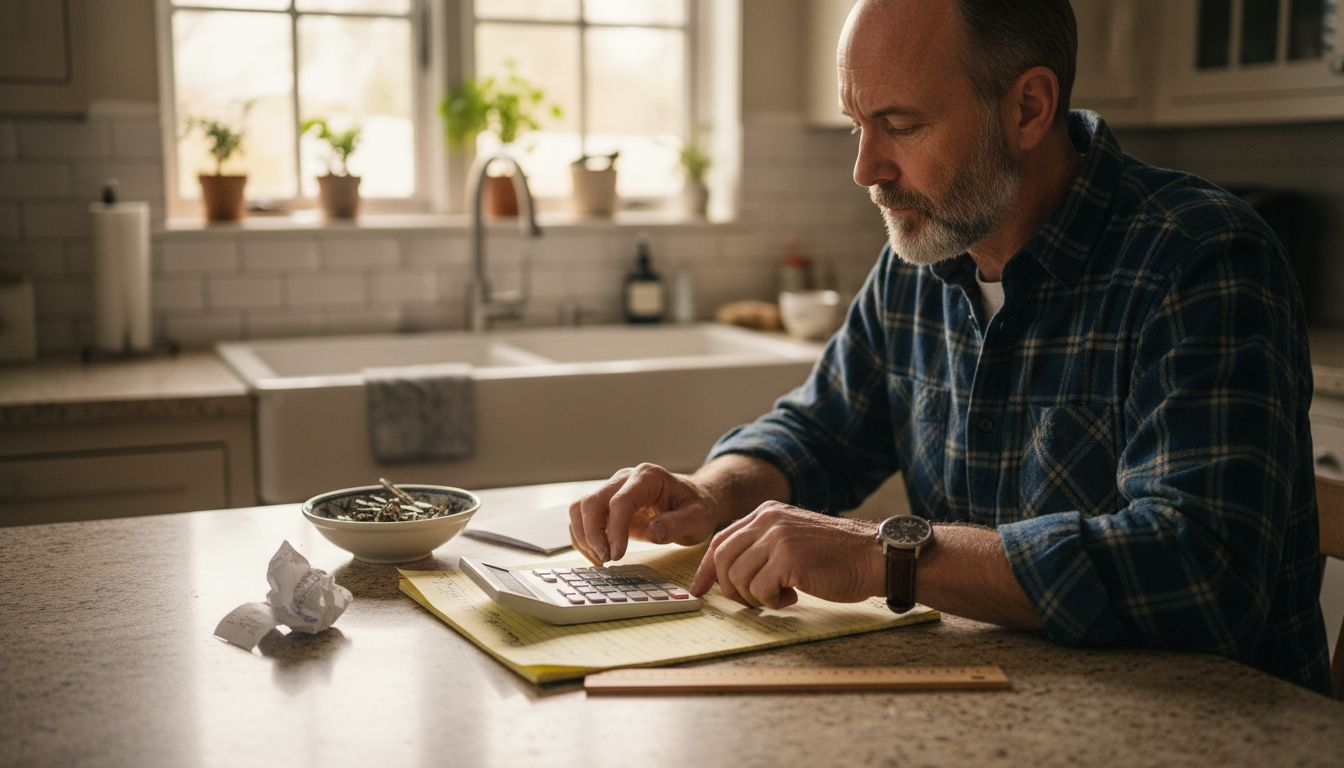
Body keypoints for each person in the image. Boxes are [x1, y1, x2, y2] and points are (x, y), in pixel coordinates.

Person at [569, 0, 1332, 695]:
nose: (865, 169)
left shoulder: (1202, 258)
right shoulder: (926, 256)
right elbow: (818, 431)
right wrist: (715, 490)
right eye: (856, 124)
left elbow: (1202, 573)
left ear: (1029, 108)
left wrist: (888, 554)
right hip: (1004, 704)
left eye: (900, 125)